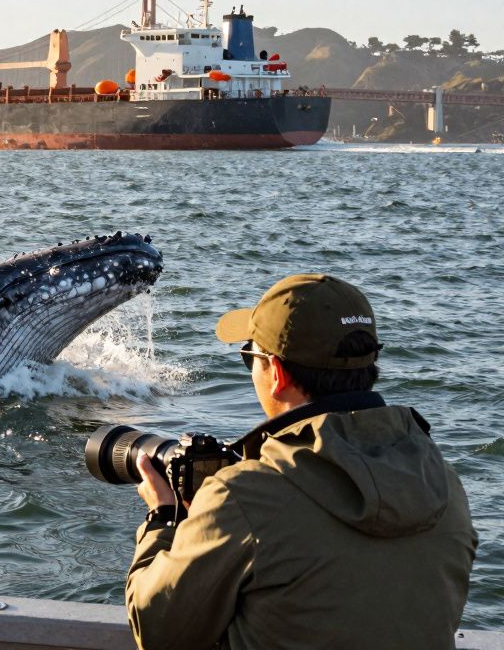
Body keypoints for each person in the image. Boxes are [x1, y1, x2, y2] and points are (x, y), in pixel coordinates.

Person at [126, 274, 477, 650]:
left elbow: (158, 631)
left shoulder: (245, 495)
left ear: (275, 373)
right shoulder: (444, 483)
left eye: (250, 357)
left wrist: (163, 520)